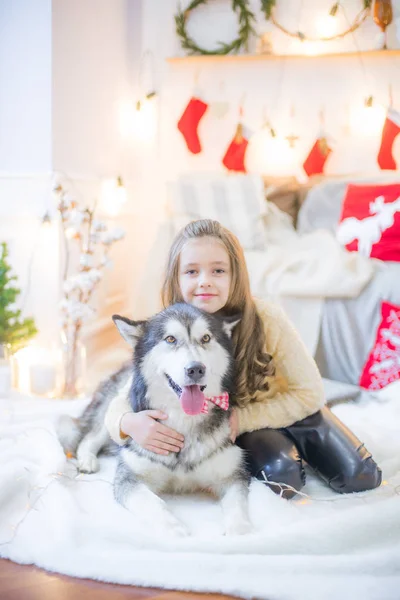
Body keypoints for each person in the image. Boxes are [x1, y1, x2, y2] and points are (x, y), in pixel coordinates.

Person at [105, 219, 381, 499]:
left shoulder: (268, 318)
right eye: (191, 271)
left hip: (289, 412)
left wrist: (245, 417)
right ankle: (288, 453)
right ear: (176, 278)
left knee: (363, 477)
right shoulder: (171, 328)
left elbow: (311, 392)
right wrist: (127, 423)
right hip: (246, 428)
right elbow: (123, 399)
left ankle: (307, 448)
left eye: (218, 270)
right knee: (283, 479)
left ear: (235, 275)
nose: (205, 281)